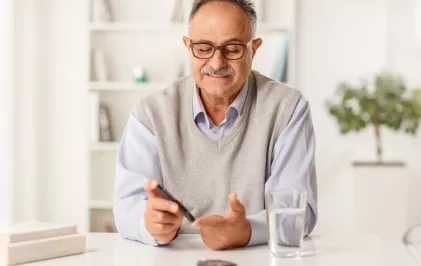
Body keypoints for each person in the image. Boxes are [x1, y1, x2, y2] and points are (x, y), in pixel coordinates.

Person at [113, 0, 318, 251]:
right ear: (188, 47)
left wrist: (248, 230)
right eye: (203, 48)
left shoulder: (288, 109)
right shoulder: (150, 115)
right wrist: (149, 224)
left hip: (259, 257)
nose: (217, 62)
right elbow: (126, 207)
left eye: (232, 49)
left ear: (254, 50)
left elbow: (297, 211)